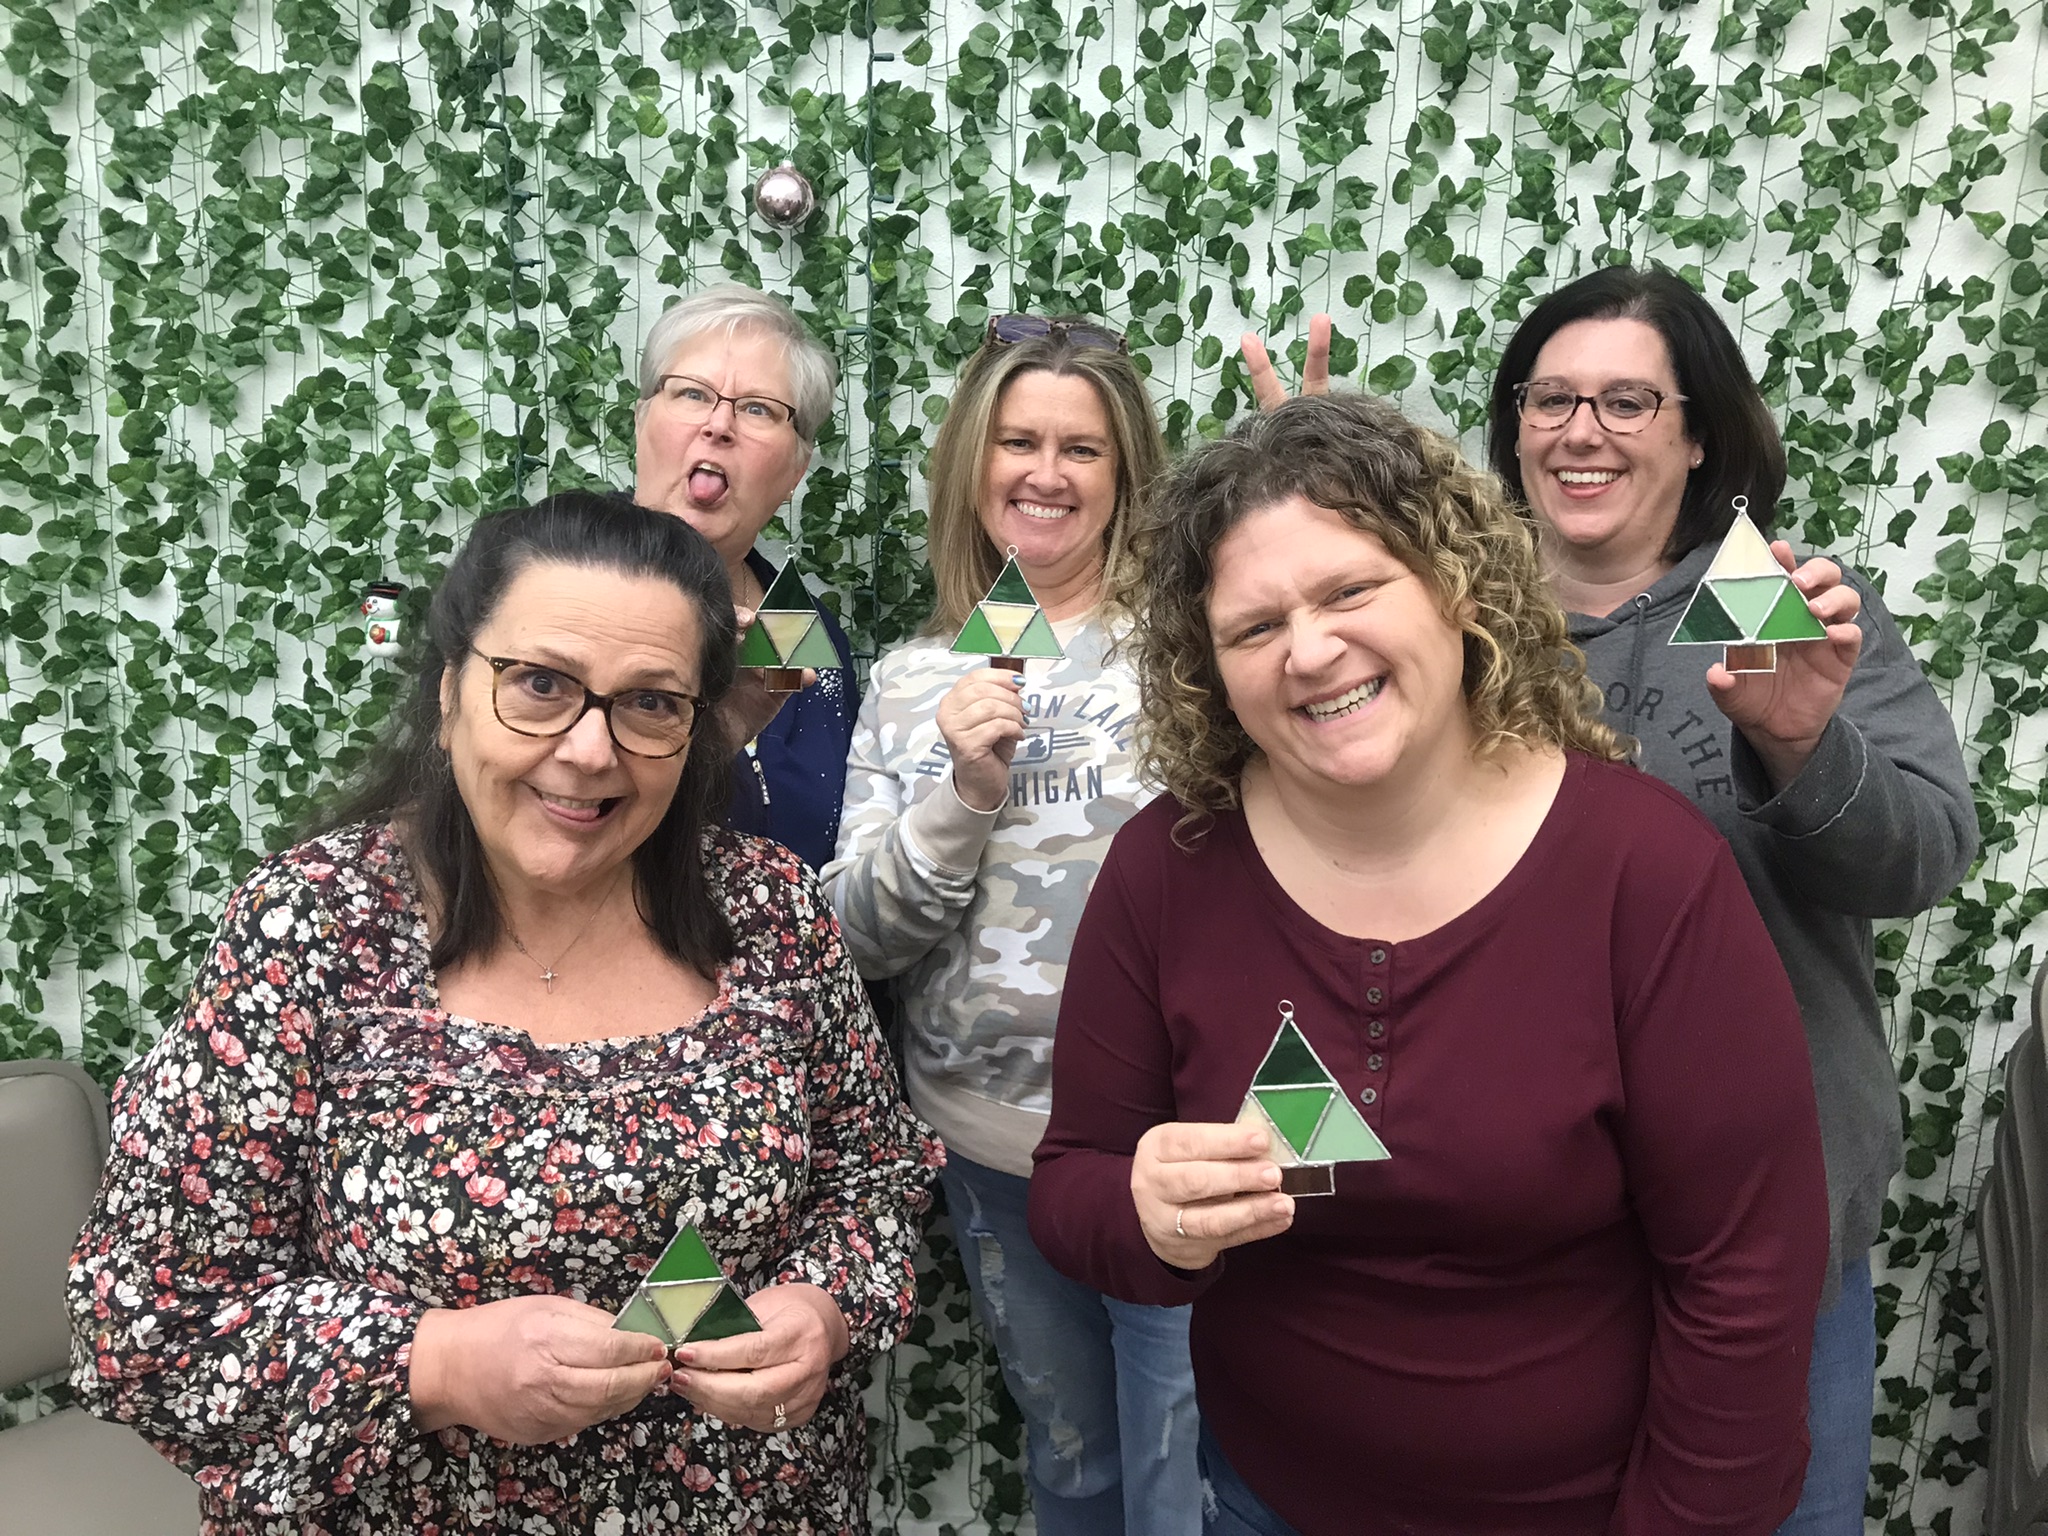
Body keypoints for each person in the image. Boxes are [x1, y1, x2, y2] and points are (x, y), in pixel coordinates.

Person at [1245, 282, 1979, 1533]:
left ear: (1698, 433)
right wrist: (1324, 529)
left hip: (1766, 1242)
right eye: (1550, 398)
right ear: (1513, 423)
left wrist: (1803, 746)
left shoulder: (1783, 605)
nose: (1581, 430)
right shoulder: (1443, 621)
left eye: (1628, 399)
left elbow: (1917, 862)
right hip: (1510, 1240)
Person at [1029, 392, 1831, 1536]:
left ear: (1456, 588)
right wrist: (1146, 1212)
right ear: (1209, 668)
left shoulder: (1643, 873)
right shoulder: (1166, 868)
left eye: (1351, 590)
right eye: (1253, 629)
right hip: (1264, 1501)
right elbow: (1073, 1186)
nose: (1309, 651)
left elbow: (1746, 1277)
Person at [68, 493, 941, 1536]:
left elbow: (873, 1182)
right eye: (538, 685)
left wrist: (821, 1311)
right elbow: (142, 1324)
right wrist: (433, 1364)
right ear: (448, 693)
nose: (587, 750)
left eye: (649, 703)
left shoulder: (769, 912)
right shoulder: (311, 928)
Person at [822, 316, 1198, 1534]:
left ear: (1123, 474)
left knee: (1188, 1466)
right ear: (972, 466)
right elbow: (854, 941)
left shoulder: (1193, 653)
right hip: (991, 1152)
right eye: (1018, 442)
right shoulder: (909, 678)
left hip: (1173, 1148)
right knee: (1077, 1460)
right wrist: (962, 791)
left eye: (1081, 449)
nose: (1045, 473)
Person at [635, 283, 856, 870]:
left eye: (758, 408)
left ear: (795, 469)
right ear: (641, 422)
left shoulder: (803, 633)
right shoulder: (547, 581)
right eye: (691, 393)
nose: (719, 425)